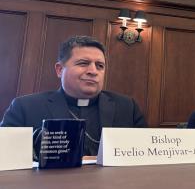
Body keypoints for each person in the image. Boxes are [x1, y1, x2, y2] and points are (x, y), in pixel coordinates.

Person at [0, 35, 146, 156]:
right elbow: (5, 156)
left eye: (100, 66)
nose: (93, 71)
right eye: (83, 63)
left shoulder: (127, 107)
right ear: (59, 70)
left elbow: (145, 154)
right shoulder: (25, 107)